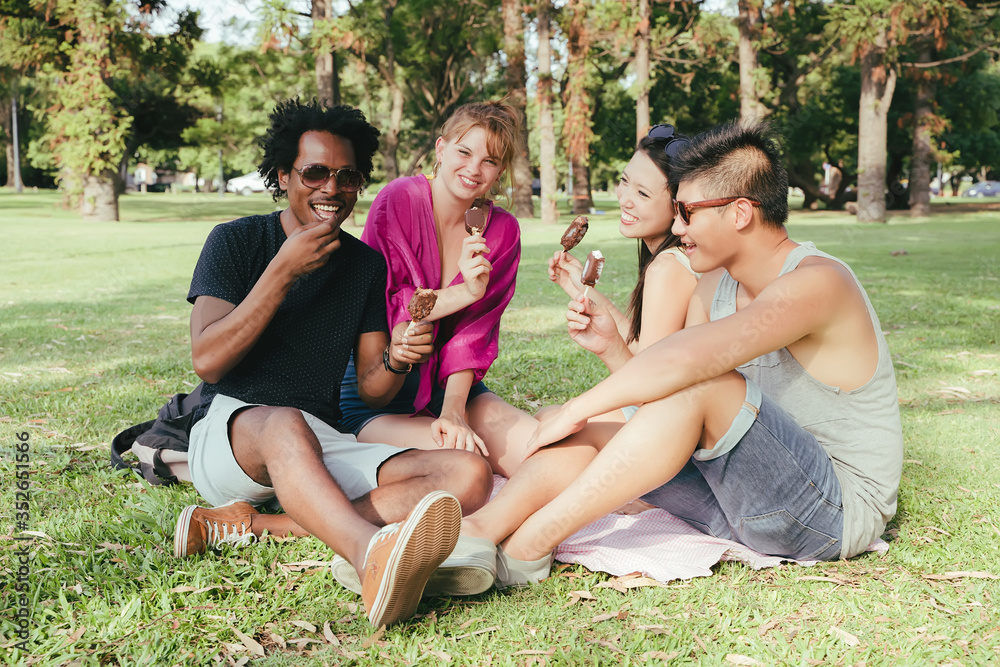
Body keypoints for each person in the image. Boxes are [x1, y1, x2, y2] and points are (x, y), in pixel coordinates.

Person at [500, 121, 903, 569]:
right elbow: (665, 388)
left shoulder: (817, 283)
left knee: (700, 383)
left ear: (740, 213)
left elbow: (689, 364)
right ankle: (478, 536)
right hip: (735, 500)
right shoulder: (712, 285)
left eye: (687, 213)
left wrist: (579, 405)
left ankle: (525, 550)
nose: (676, 227)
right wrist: (611, 349)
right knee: (586, 431)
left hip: (827, 513)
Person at [171, 98, 494, 628]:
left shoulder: (364, 265)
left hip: (319, 442)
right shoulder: (236, 241)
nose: (331, 188)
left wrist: (395, 357)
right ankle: (371, 554)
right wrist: (281, 270)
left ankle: (252, 526)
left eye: (347, 176)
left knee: (467, 474)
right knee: (284, 421)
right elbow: (207, 360)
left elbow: (371, 393)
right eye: (314, 173)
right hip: (233, 433)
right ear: (283, 175)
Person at [331, 101, 604, 596]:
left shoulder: (502, 231)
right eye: (464, 152)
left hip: (454, 388)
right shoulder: (397, 202)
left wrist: (456, 409)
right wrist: (461, 292)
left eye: (490, 161)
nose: (473, 170)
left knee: (563, 454)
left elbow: (477, 331)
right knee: (466, 468)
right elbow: (385, 308)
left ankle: (501, 532)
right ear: (440, 149)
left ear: (502, 170)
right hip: (378, 393)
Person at [546, 125, 699, 425]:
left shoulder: (668, 268)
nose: (624, 198)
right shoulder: (674, 258)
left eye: (642, 193)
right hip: (673, 415)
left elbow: (650, 392)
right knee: (548, 417)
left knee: (550, 428)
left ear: (677, 207)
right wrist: (579, 285)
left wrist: (607, 348)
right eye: (624, 181)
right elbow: (644, 349)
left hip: (676, 430)